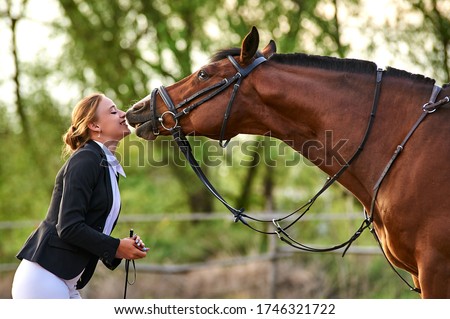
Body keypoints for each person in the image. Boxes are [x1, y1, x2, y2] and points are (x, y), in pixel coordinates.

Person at [11, 93, 148, 299]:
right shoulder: (86, 159)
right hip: (44, 279)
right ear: (94, 125)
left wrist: (120, 248)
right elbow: (69, 227)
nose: (123, 114)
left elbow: (91, 228)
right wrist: (116, 247)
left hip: (65, 282)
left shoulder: (103, 163)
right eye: (113, 111)